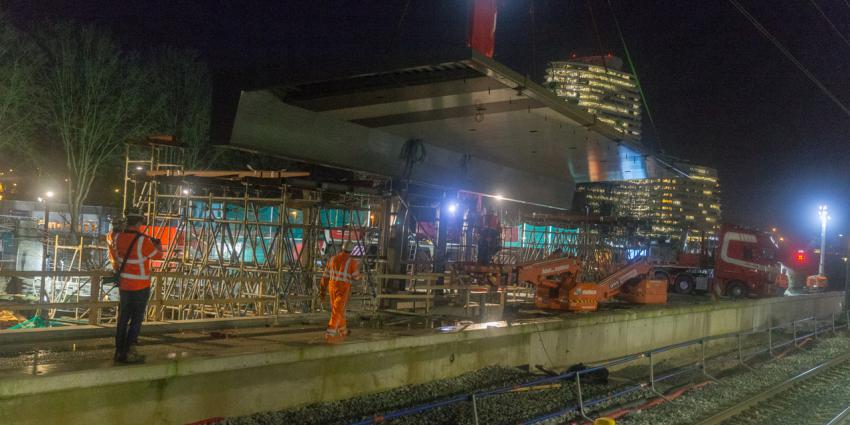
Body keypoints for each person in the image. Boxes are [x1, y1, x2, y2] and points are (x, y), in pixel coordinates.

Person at [108, 207, 162, 363]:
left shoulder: (117, 237)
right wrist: (157, 245)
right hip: (140, 286)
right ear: (140, 222)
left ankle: (119, 351)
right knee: (136, 319)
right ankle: (131, 350)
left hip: (124, 285)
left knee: (123, 319)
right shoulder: (143, 240)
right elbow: (158, 255)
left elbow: (116, 257)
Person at [321, 241, 360, 342]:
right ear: (351, 251)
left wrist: (322, 290)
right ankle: (329, 334)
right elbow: (356, 277)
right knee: (337, 311)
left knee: (338, 310)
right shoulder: (352, 262)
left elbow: (325, 276)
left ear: (342, 248)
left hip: (332, 287)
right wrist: (361, 276)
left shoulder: (332, 259)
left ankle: (343, 332)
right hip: (342, 289)